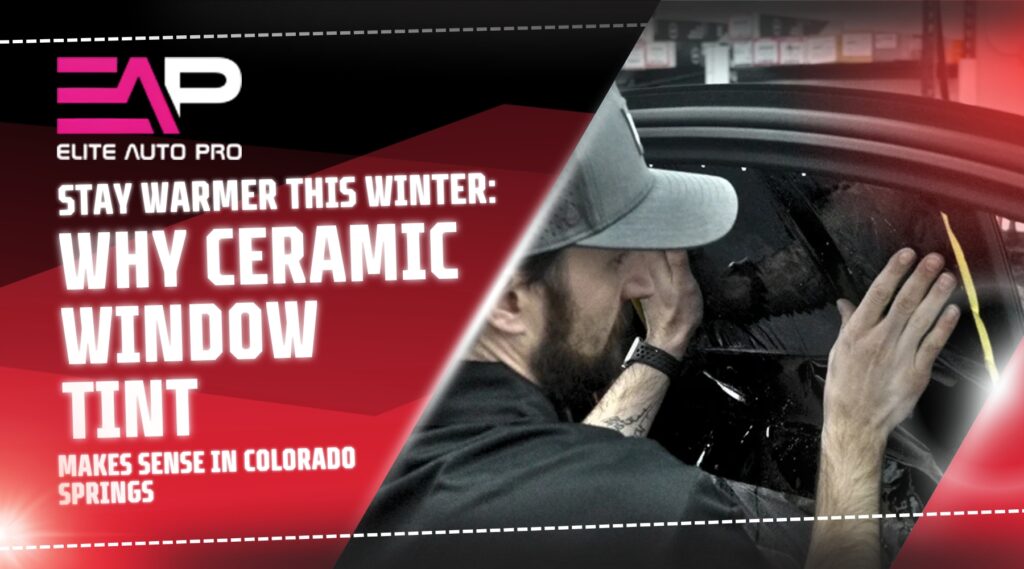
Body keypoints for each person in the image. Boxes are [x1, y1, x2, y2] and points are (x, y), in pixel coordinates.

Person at [336, 86, 961, 569]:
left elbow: (543, 481)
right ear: (507, 301)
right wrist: (855, 428)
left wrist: (665, 342)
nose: (636, 284)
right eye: (612, 261)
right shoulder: (655, 513)